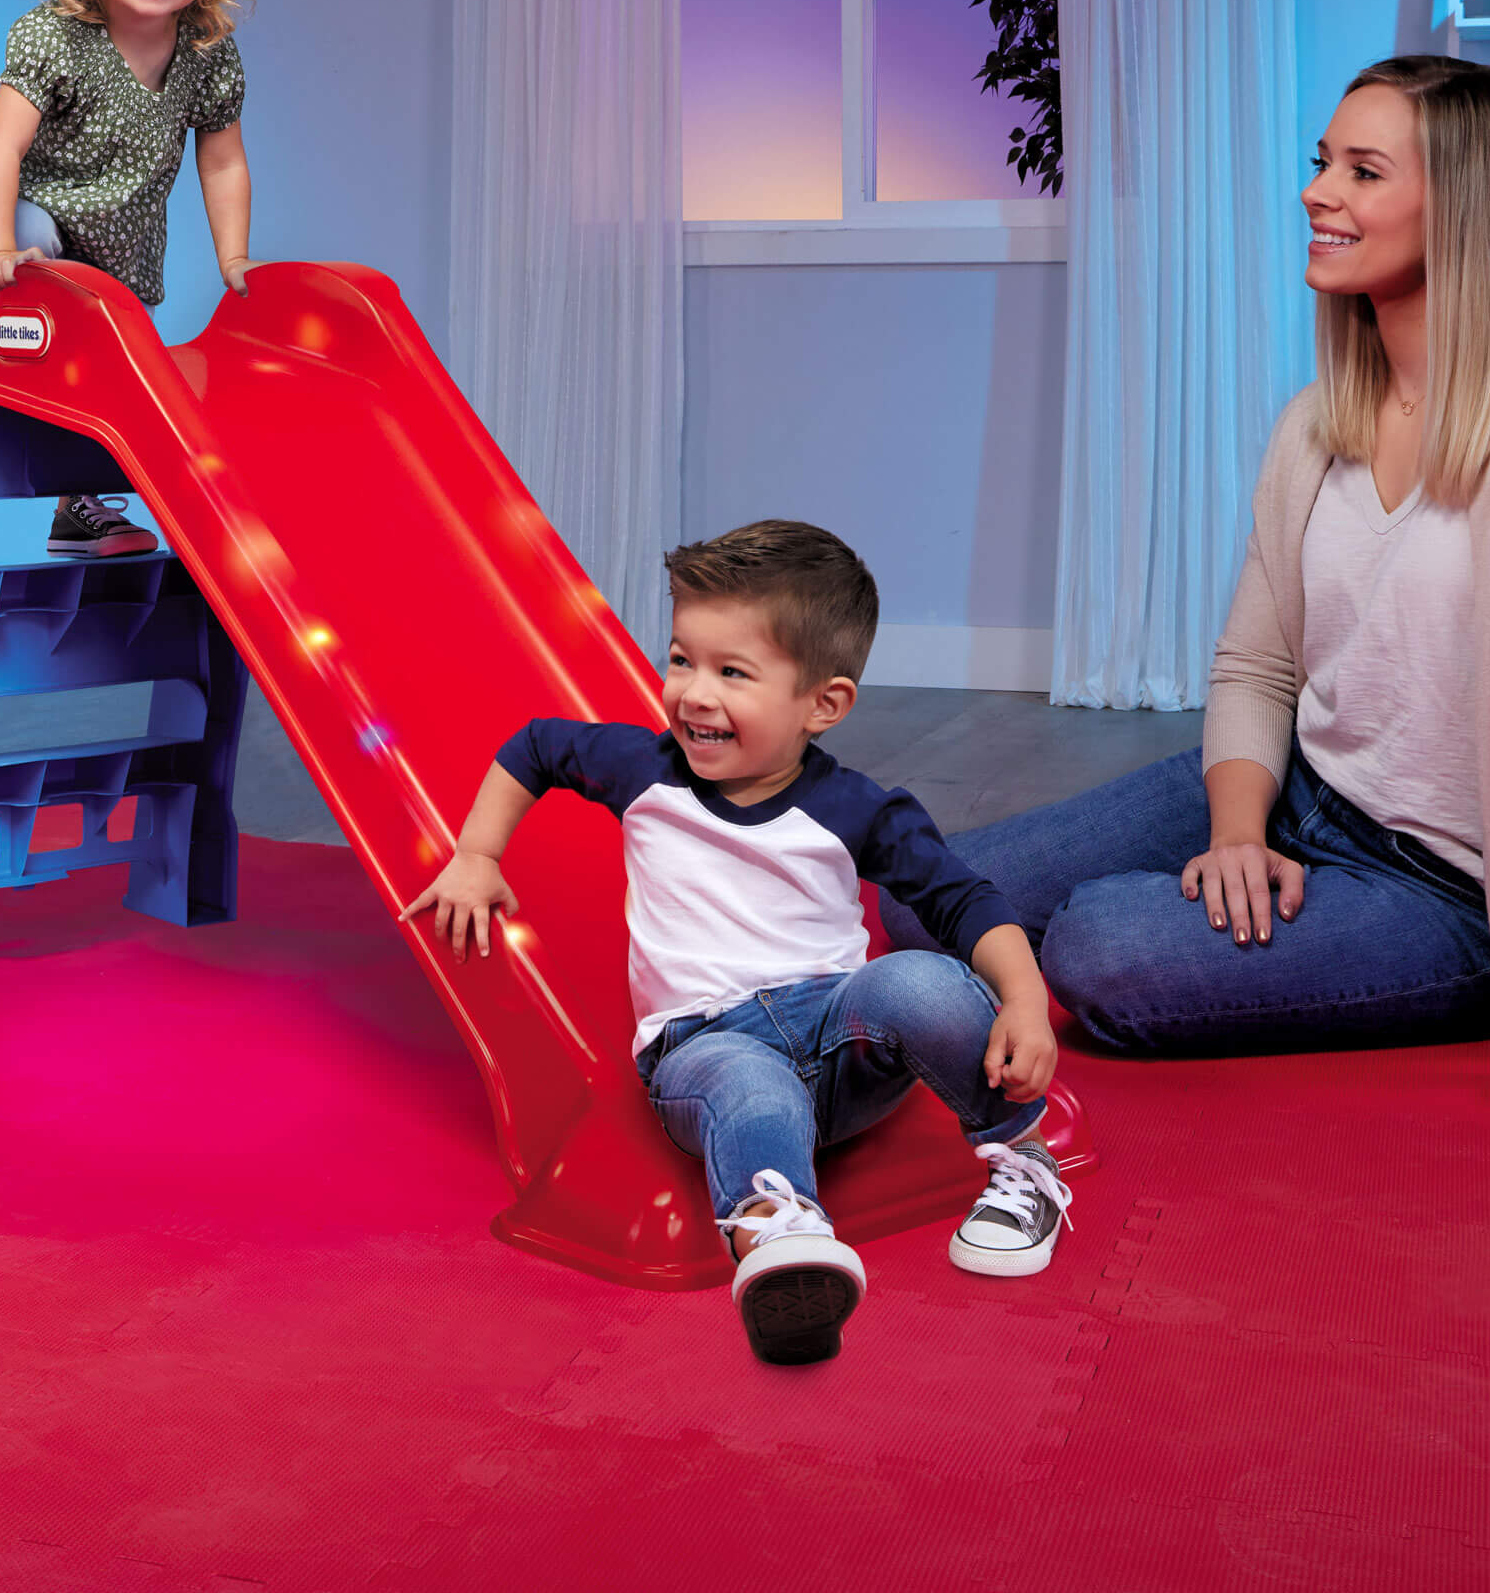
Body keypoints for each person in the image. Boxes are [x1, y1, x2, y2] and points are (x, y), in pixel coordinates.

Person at [890, 55, 1490, 1143]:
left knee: (1097, 947)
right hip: (1301, 793)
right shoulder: (1318, 419)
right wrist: (1236, 833)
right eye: (1323, 163)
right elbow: (1256, 665)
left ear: (1465, 206)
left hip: (1443, 891)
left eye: (1363, 171)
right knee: (927, 895)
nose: (1316, 192)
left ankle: (1416, 977)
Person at [404, 521, 1074, 1365]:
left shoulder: (860, 811)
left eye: (732, 673)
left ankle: (1024, 1165)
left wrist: (1024, 1003)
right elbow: (536, 745)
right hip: (703, 1044)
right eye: (681, 659)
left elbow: (965, 901)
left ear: (823, 705)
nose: (693, 693)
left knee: (919, 980)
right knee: (750, 1088)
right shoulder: (643, 770)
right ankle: (782, 1239)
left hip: (841, 1039)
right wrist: (477, 855)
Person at [0, 0, 257, 558]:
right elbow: (2, 147)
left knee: (115, 370)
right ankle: (26, 382)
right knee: (54, 295)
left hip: (121, 235)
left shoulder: (206, 51)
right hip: (37, 206)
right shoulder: (55, 38)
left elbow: (222, 162)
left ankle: (76, 510)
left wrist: (234, 257)